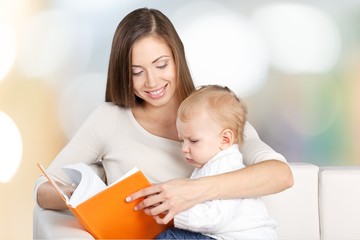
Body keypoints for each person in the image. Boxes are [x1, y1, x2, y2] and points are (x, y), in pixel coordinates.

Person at [34, 7, 293, 227]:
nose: (152, 81)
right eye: (137, 72)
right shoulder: (110, 120)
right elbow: (43, 190)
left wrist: (190, 191)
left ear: (177, 58)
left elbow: (280, 175)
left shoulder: (212, 110)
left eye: (161, 65)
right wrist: (84, 196)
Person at [155, 85, 277, 239]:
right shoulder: (211, 163)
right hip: (219, 235)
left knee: (169, 237)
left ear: (225, 139)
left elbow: (213, 219)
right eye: (182, 141)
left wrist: (172, 214)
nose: (184, 149)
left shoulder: (224, 166)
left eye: (193, 141)